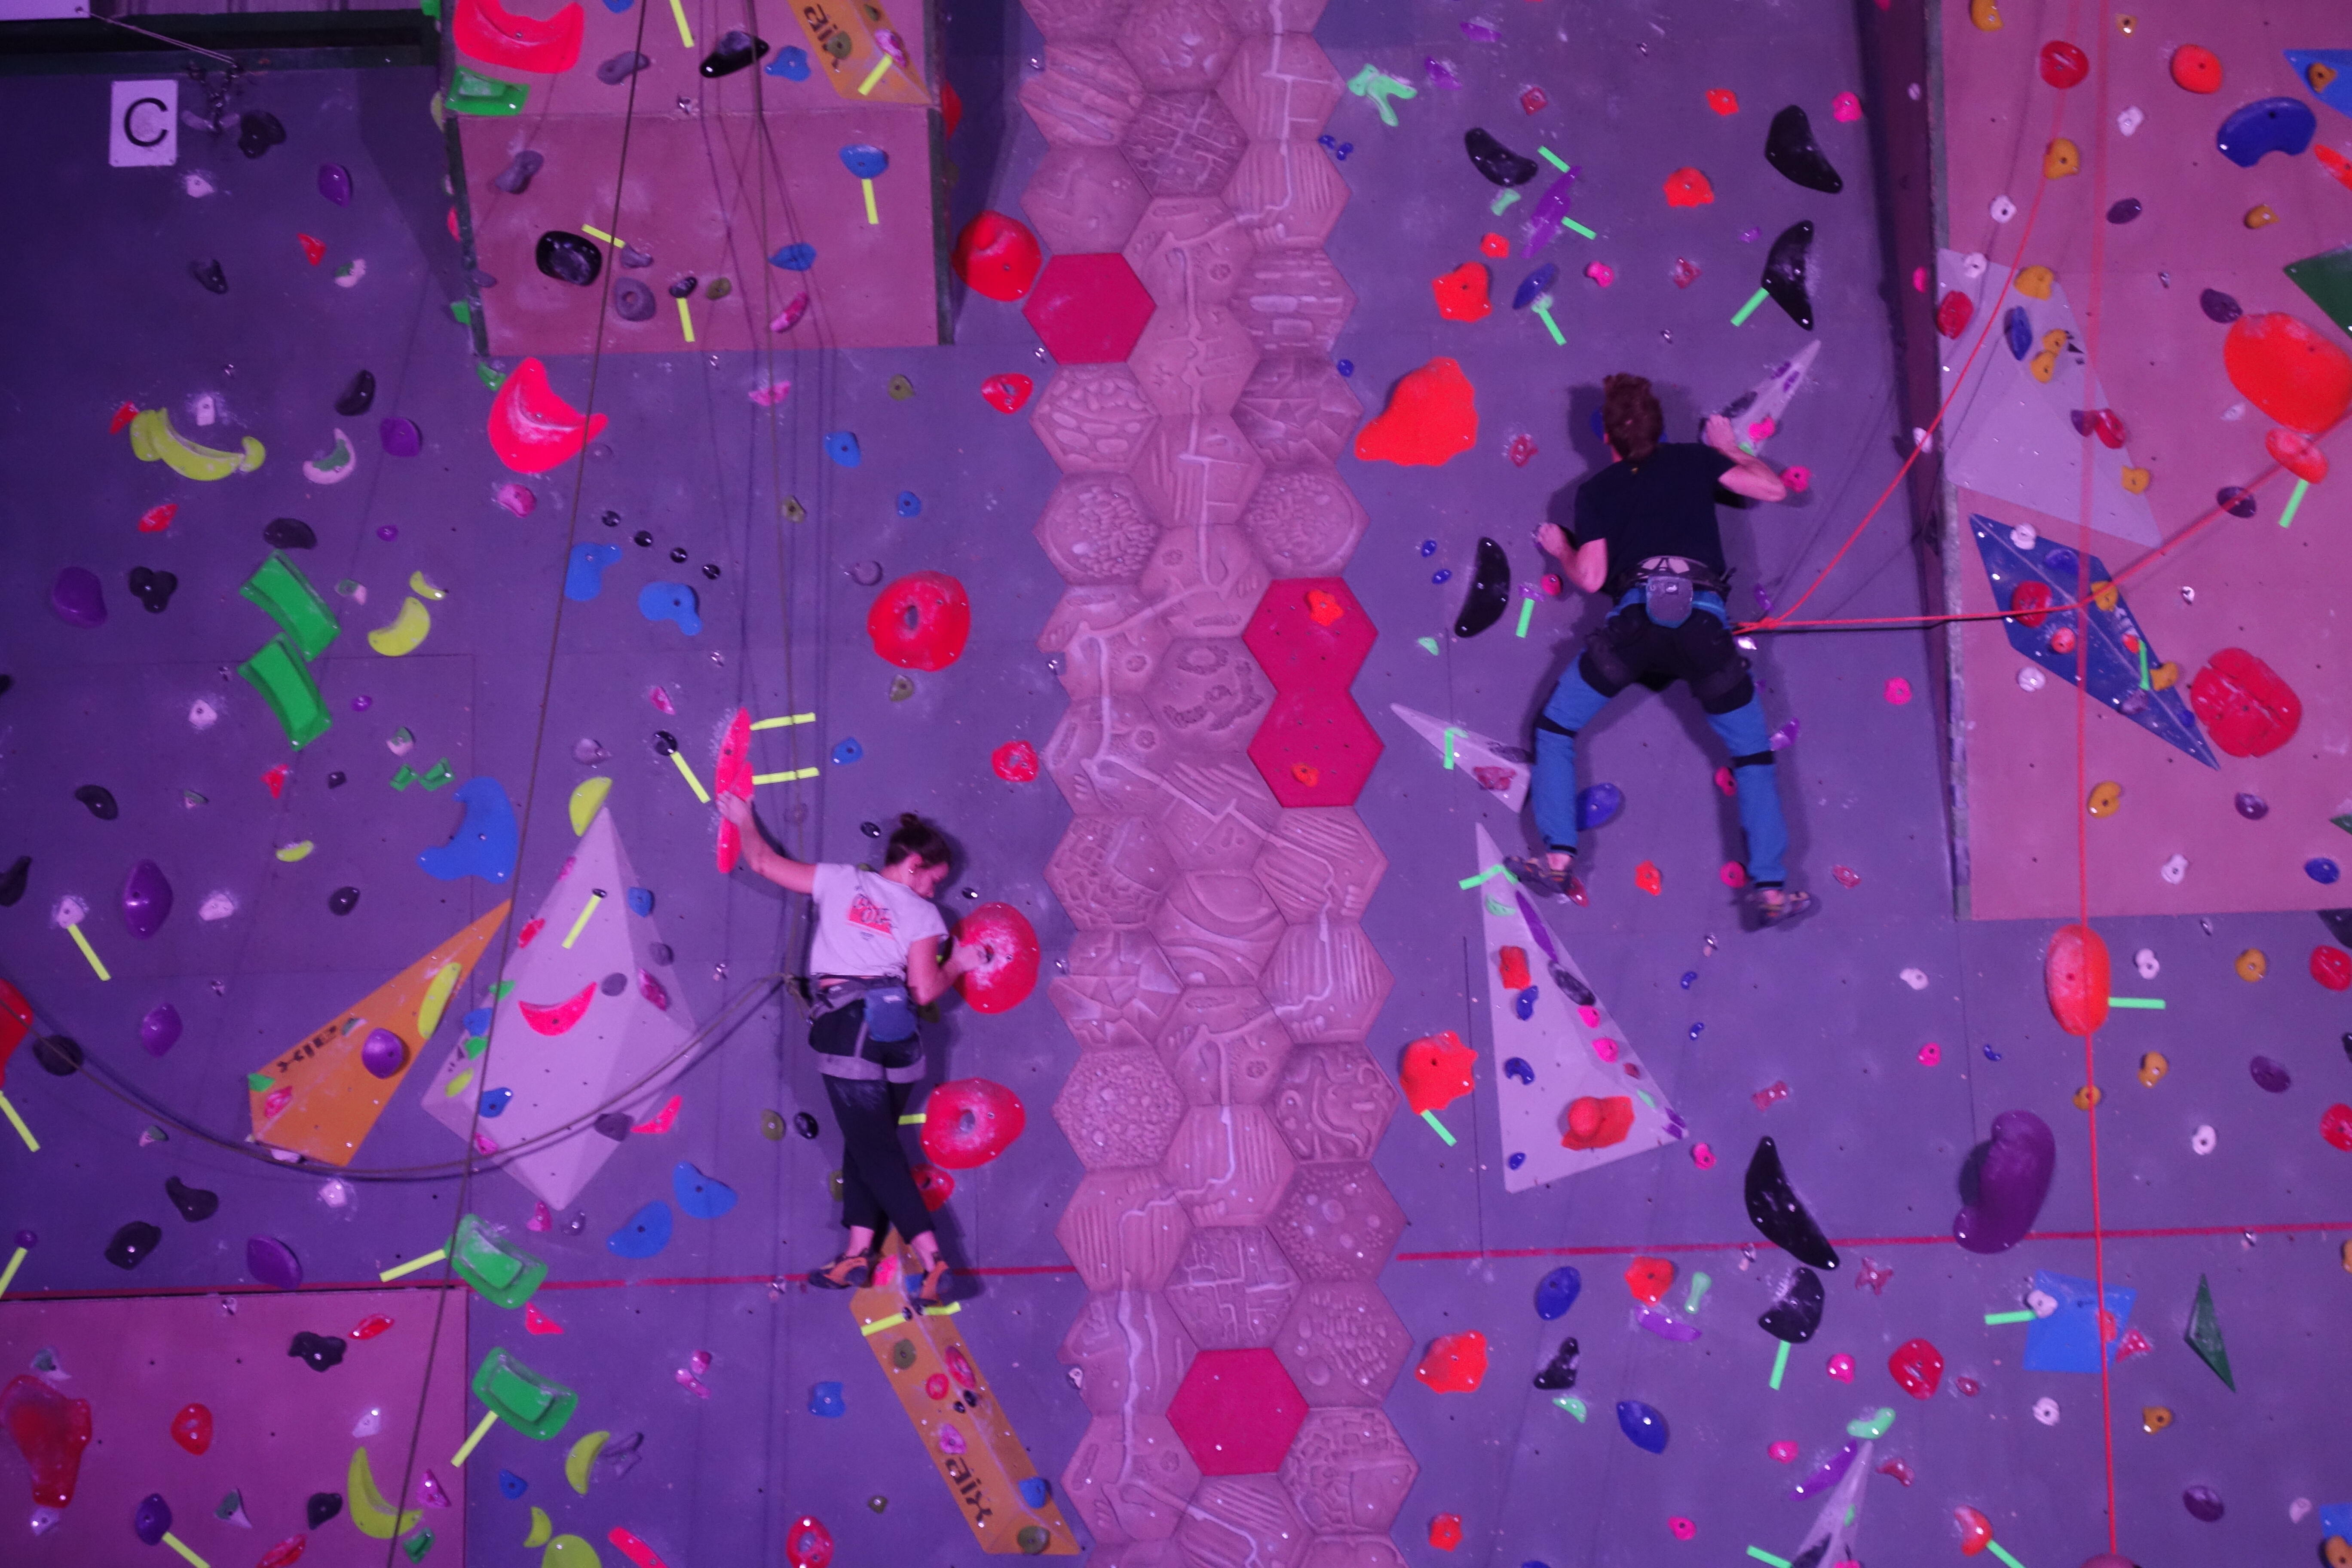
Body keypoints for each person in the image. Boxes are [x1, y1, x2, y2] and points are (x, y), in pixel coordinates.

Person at [1521, 373, 1813, 928]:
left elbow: (1591, 578)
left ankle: (1558, 859)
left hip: (1634, 630)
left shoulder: (1597, 492)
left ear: (1607, 438)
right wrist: (1727, 447)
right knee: (1752, 756)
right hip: (1702, 630)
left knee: (1557, 728)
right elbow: (1774, 490)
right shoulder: (1693, 461)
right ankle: (1771, 890)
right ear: (1661, 429)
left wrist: (1561, 548)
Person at [716, 794, 976, 1303]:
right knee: (867, 1143)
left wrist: (743, 819)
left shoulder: (840, 880)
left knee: (875, 1149)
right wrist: (958, 964)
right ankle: (857, 1254)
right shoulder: (923, 914)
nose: (933, 890)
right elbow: (924, 990)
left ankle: (934, 1260)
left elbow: (763, 862)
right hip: (900, 1040)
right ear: (913, 863)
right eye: (933, 880)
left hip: (851, 1030)